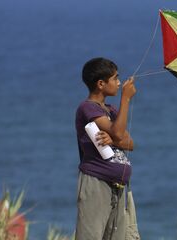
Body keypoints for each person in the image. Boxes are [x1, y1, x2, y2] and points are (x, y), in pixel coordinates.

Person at [75, 57, 137, 239]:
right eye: (115, 78)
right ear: (101, 84)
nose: (119, 83)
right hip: (97, 182)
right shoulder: (87, 108)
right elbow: (119, 134)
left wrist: (113, 139)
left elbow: (130, 143)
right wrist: (126, 98)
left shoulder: (110, 110)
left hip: (117, 187)